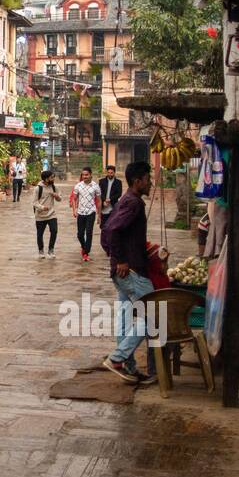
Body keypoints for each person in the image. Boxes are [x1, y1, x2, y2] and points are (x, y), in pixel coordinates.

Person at [102, 160, 158, 385]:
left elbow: (111, 232)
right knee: (155, 315)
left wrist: (116, 259)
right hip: (132, 272)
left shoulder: (126, 200)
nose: (151, 184)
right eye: (148, 179)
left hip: (125, 271)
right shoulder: (134, 203)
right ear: (138, 181)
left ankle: (129, 366)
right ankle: (117, 358)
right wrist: (121, 260)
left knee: (125, 317)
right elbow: (113, 231)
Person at [70, 166, 101, 263]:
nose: (84, 176)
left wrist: (99, 215)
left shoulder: (96, 186)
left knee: (89, 233)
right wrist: (74, 210)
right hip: (80, 212)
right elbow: (74, 199)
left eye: (86, 175)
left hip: (91, 212)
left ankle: (86, 253)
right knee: (80, 234)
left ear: (91, 175)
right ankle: (84, 248)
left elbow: (99, 201)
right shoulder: (78, 186)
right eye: (83, 175)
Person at [32, 168, 60, 259]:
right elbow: (34, 202)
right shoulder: (38, 188)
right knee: (40, 234)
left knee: (54, 230)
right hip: (40, 215)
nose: (53, 179)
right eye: (52, 178)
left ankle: (51, 250)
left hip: (52, 214)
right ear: (46, 179)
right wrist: (42, 207)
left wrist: (57, 196)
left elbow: (59, 199)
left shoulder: (54, 187)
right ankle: (41, 251)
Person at [98, 164, 123, 231]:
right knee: (103, 226)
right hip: (104, 206)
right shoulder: (101, 181)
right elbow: (99, 193)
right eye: (108, 172)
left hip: (113, 206)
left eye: (111, 173)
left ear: (114, 173)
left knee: (113, 225)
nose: (110, 174)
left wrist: (110, 199)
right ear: (106, 172)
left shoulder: (118, 182)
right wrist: (104, 201)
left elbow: (119, 193)